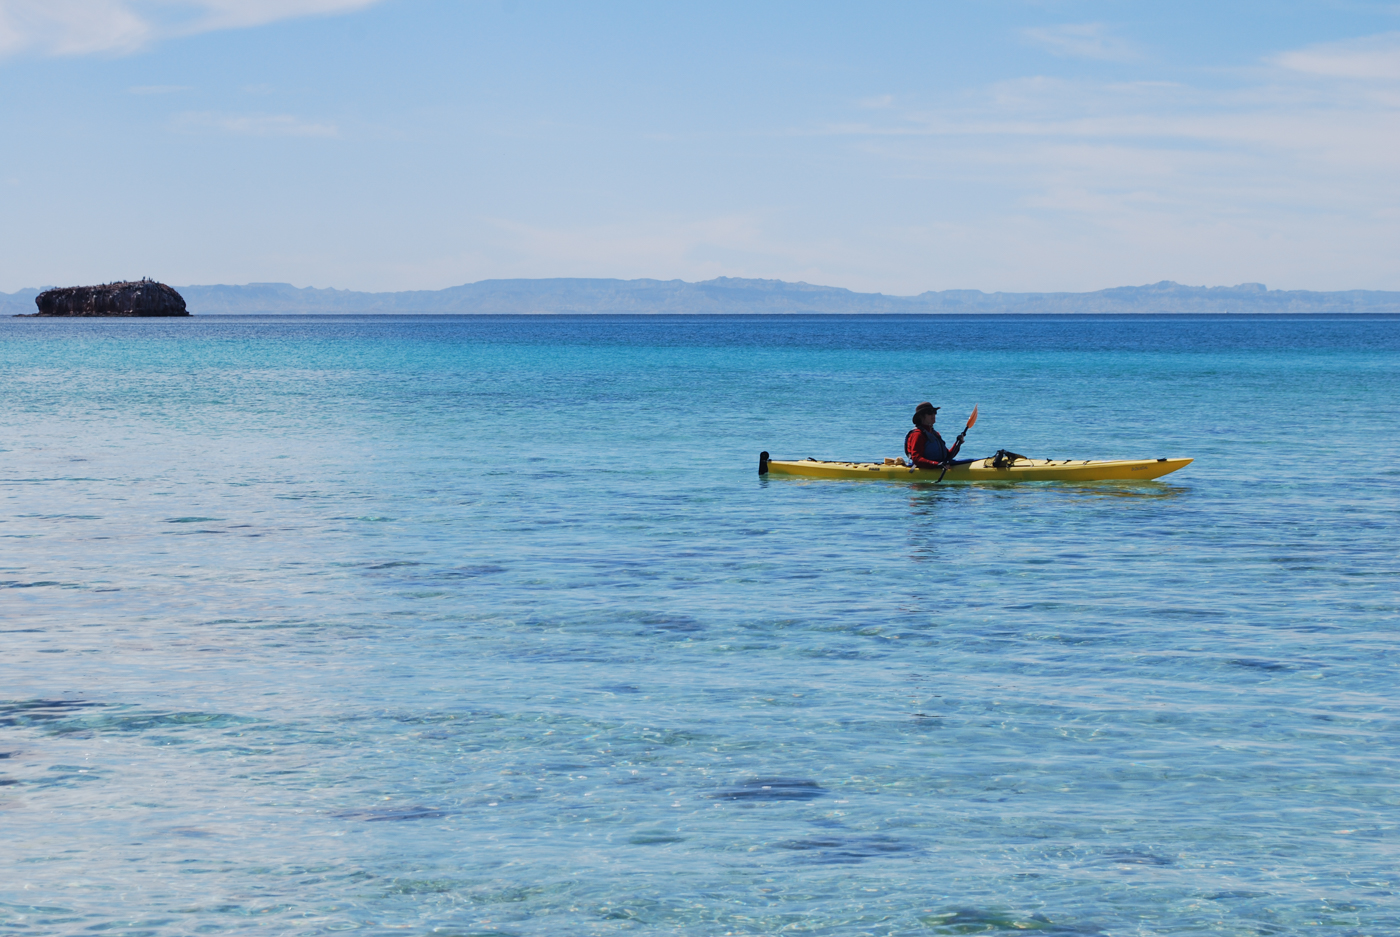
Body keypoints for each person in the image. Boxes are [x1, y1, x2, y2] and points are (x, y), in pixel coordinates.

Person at [904, 401, 966, 469]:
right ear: (921, 416)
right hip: (927, 469)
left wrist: (958, 443)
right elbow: (916, 459)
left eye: (934, 412)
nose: (933, 415)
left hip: (939, 465)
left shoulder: (935, 434)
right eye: (930, 413)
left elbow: (948, 456)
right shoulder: (918, 434)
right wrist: (937, 465)